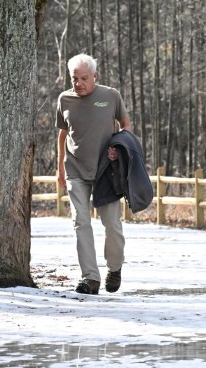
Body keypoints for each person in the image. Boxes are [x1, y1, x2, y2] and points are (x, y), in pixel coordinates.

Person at [56, 53, 132, 295]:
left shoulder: (110, 96)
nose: (78, 83)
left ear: (95, 76)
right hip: (75, 170)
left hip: (105, 172)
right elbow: (62, 135)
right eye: (74, 78)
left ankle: (115, 268)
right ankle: (90, 278)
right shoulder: (64, 100)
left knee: (112, 224)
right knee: (81, 222)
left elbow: (126, 125)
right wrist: (59, 168)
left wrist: (118, 150)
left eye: (84, 78)